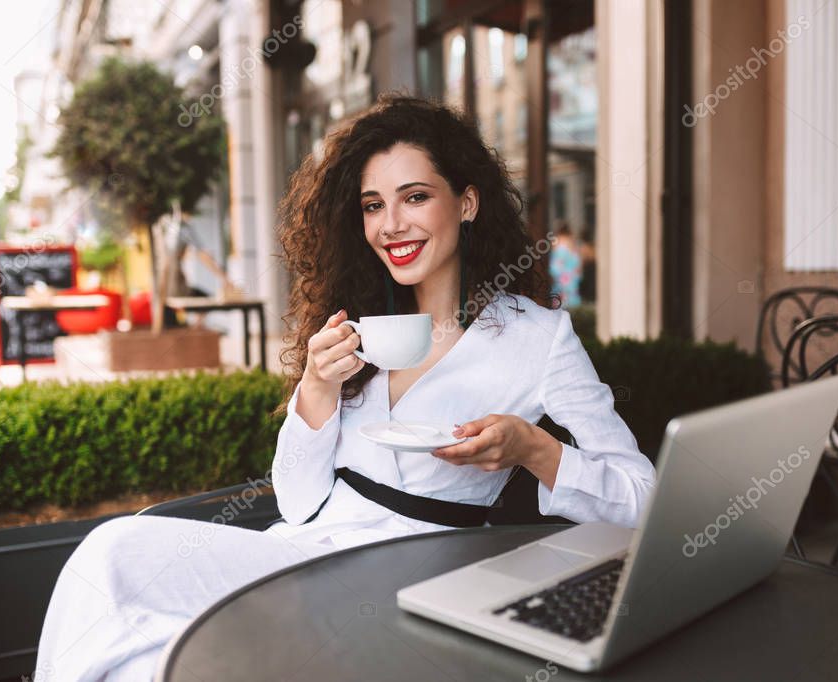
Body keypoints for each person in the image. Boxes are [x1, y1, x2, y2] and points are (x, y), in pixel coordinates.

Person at [34, 94, 655, 681]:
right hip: (305, 551)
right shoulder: (357, 322)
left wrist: (534, 452)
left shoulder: (538, 338)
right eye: (372, 205)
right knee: (117, 574)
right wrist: (316, 389)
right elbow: (297, 503)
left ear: (466, 204)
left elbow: (640, 499)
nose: (391, 224)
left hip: (416, 576)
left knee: (127, 582)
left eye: (414, 197)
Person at [548, 220, 583, 308]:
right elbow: (578, 265)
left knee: (559, 307)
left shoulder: (556, 242)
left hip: (559, 281)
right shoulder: (573, 243)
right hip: (572, 281)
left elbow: (554, 266)